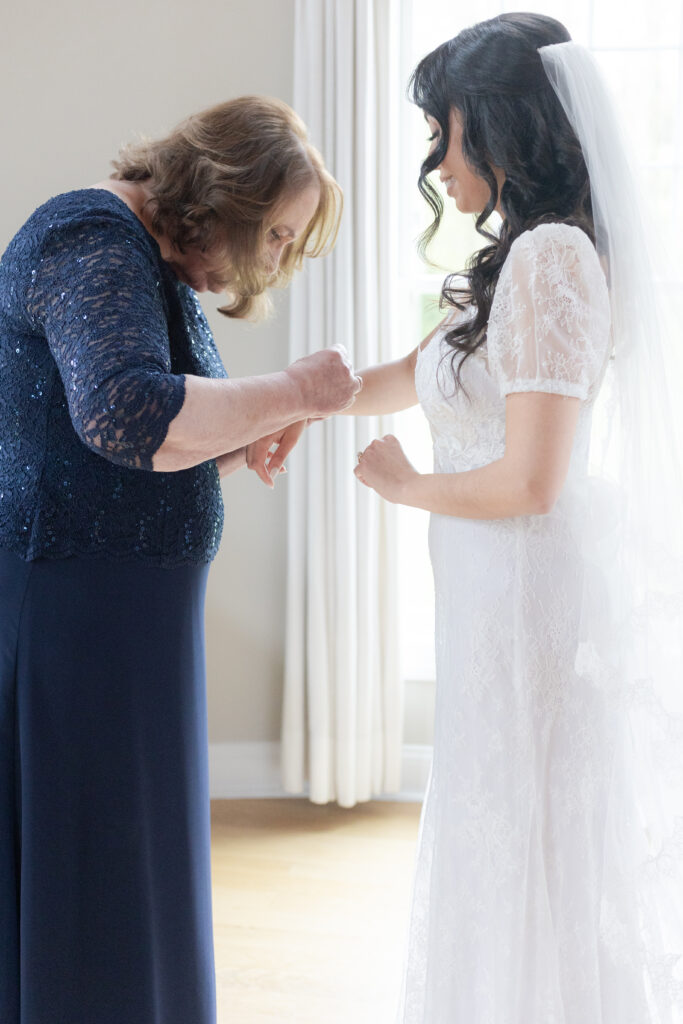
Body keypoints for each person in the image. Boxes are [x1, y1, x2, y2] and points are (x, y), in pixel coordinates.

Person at [342, 13, 683, 1023]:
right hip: (490, 588)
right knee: (497, 812)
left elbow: (533, 479)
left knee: (520, 815)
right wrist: (278, 405)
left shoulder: (549, 259)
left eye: (445, 132)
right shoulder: (520, 260)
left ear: (498, 126)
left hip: (524, 584)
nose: (437, 164)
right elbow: (400, 380)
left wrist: (403, 485)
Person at [0, 95, 360, 1023]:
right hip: (73, 609)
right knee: (91, 871)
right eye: (275, 234)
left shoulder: (146, 261)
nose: (275, 260)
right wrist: (292, 387)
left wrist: (247, 435)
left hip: (124, 612)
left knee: (130, 869)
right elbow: (124, 415)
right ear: (225, 195)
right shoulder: (89, 234)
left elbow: (136, 448)